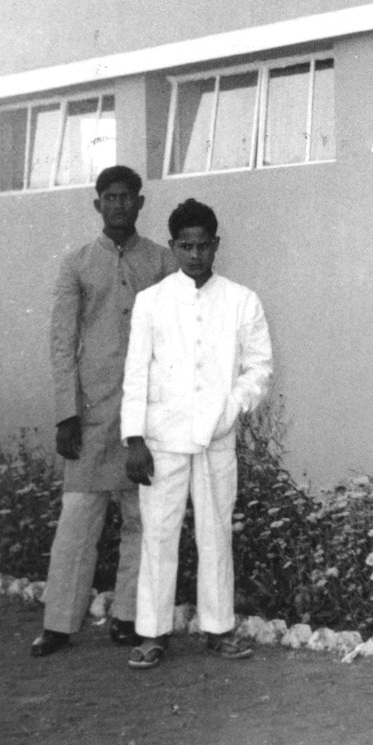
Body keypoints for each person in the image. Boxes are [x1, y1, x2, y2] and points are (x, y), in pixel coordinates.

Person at [120, 198, 273, 670]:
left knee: (215, 533)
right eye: (185, 246)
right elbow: (136, 374)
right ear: (172, 247)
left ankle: (219, 628)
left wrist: (230, 407)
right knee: (159, 536)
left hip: (216, 439)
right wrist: (135, 439)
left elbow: (260, 369)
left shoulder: (241, 299)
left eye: (202, 246)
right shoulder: (151, 301)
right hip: (161, 440)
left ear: (215, 245)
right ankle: (152, 633)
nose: (194, 255)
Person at [31, 166, 175, 658]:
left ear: (139, 202)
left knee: (141, 518)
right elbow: (60, 343)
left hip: (145, 416)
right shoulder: (76, 264)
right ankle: (59, 622)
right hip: (91, 413)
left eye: (126, 197)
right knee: (78, 517)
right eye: (108, 197)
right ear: (97, 205)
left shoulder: (161, 262)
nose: (117, 205)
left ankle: (128, 617)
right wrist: (65, 414)